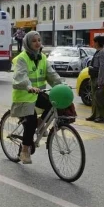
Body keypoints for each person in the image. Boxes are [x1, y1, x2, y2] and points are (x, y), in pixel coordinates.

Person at [10, 31, 64, 164]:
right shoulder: (22, 58)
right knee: (31, 121)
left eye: (39, 40)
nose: (37, 43)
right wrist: (28, 87)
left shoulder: (42, 57)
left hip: (38, 94)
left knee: (53, 103)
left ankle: (41, 122)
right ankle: (25, 150)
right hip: (24, 96)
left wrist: (61, 85)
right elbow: (20, 76)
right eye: (34, 41)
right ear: (28, 43)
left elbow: (51, 74)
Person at [86, 35, 104, 123]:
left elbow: (102, 68)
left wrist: (100, 81)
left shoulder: (103, 52)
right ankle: (94, 115)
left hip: (100, 78)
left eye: (95, 42)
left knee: (100, 99)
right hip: (94, 77)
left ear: (98, 42)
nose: (94, 44)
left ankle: (101, 117)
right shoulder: (98, 52)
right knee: (94, 98)